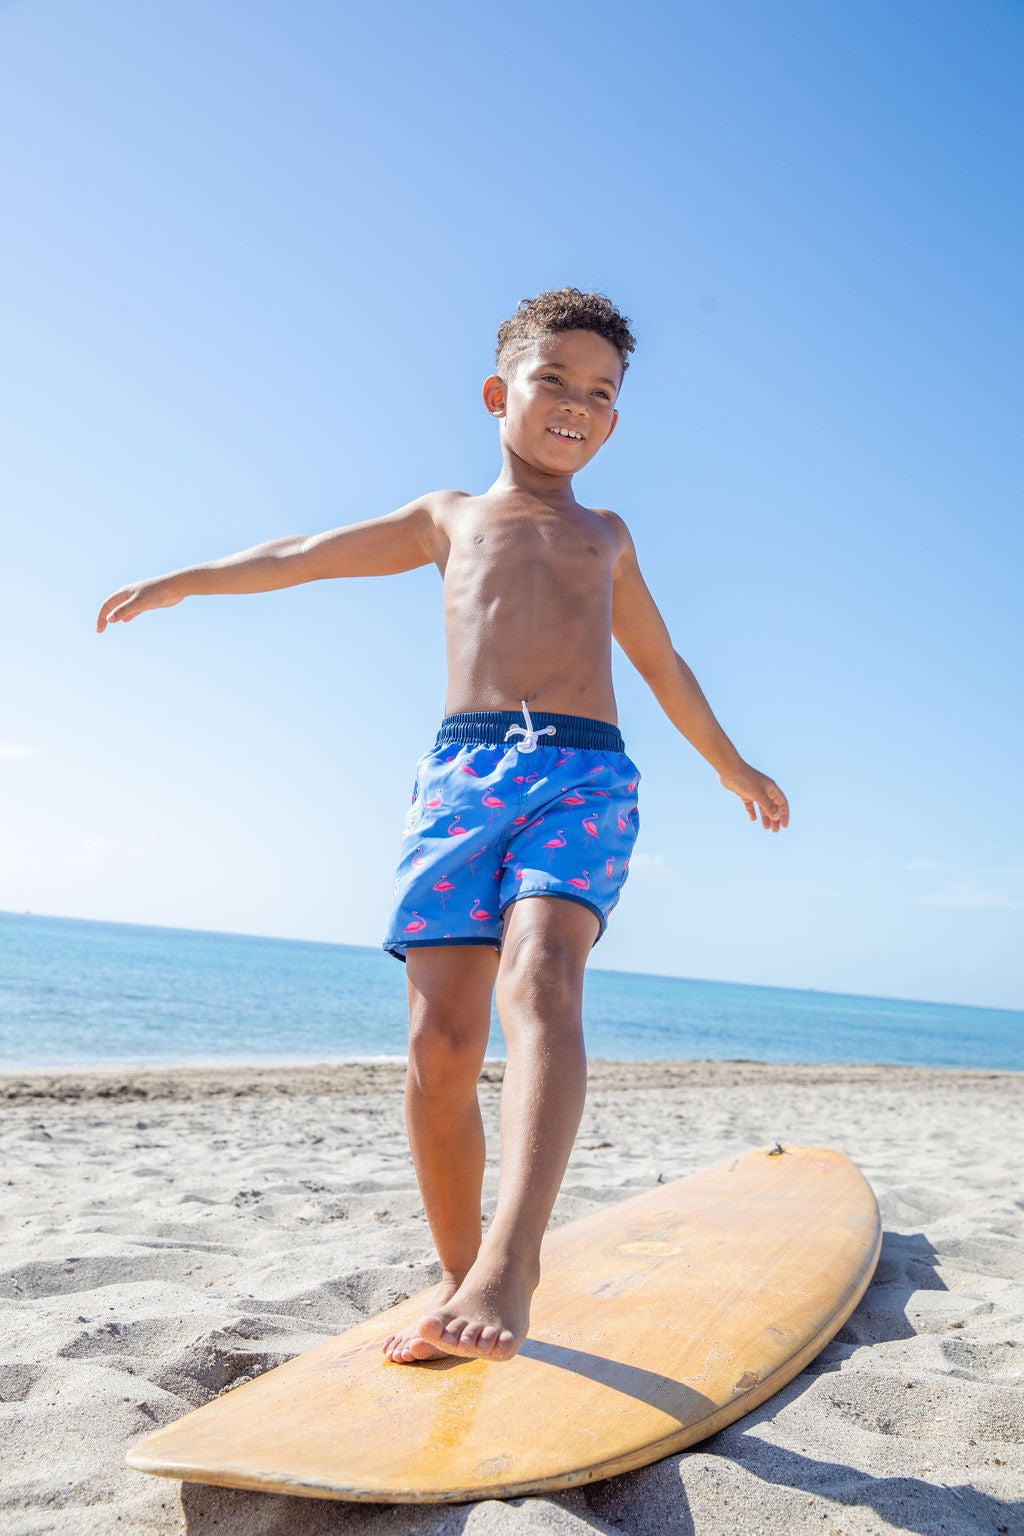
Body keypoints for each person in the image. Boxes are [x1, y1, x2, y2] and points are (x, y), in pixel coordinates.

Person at [96, 287, 788, 1366]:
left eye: (600, 392)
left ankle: (512, 1264)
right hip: (461, 780)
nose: (576, 403)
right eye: (552, 379)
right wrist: (186, 580)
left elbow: (661, 664)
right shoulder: (448, 517)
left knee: (541, 981)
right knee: (441, 1045)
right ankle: (461, 1274)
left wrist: (730, 763)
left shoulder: (606, 536)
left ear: (614, 420)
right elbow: (302, 552)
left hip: (582, 775)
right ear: (498, 395)